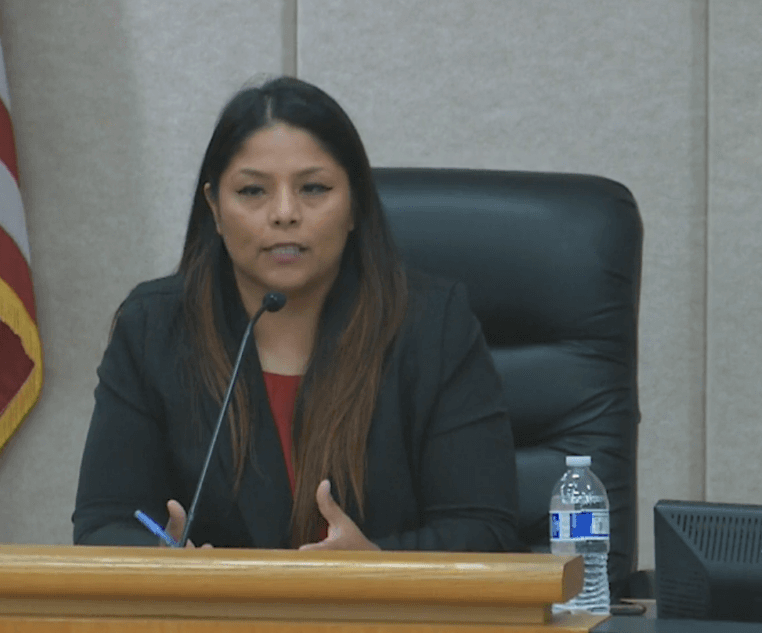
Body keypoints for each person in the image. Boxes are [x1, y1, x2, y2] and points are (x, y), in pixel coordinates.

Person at [72, 76, 520, 553]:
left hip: (386, 626)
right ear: (215, 210)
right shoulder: (155, 330)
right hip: (215, 625)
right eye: (252, 192)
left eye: (313, 188)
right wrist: (160, 560)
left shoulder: (432, 326)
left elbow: (486, 532)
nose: (284, 213)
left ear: (355, 206)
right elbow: (104, 525)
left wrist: (377, 567)